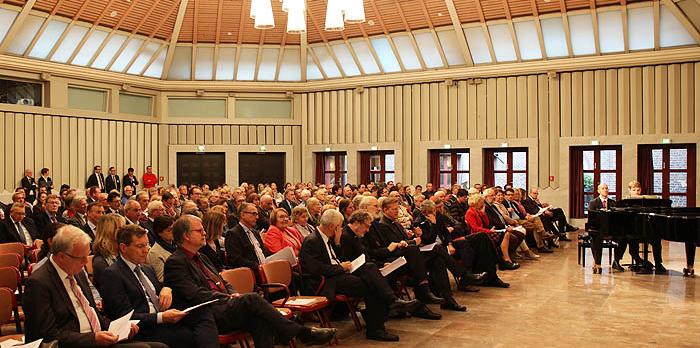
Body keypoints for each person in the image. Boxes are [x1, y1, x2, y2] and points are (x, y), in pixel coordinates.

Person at [164, 215, 337, 348]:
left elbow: (221, 280)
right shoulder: (176, 262)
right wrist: (227, 297)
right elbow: (193, 294)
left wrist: (232, 293)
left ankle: (298, 333)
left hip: (224, 305)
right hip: (207, 312)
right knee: (252, 299)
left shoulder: (200, 256)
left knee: (259, 320)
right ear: (186, 236)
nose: (204, 233)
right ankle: (301, 332)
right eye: (199, 231)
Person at [23, 225, 166, 348]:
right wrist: (93, 338)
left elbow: (93, 313)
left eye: (87, 255)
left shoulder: (77, 272)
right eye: (81, 258)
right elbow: (46, 334)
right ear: (61, 256)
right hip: (76, 343)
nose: (86, 262)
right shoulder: (39, 283)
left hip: (96, 337)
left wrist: (118, 328)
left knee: (160, 346)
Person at [300, 209, 421, 342]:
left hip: (337, 275)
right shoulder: (312, 240)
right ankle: (380, 322)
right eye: (340, 226)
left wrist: (338, 244)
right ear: (332, 227)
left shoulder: (328, 237)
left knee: (370, 271)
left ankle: (387, 310)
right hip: (325, 281)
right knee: (372, 284)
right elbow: (315, 269)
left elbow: (335, 258)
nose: (341, 228)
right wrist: (341, 267)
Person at [100, 224, 219, 348]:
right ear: (123, 248)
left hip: (163, 317)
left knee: (203, 313)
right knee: (188, 336)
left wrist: (166, 288)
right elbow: (124, 316)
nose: (146, 250)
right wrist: (161, 317)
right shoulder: (113, 274)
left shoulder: (147, 268)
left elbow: (159, 292)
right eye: (140, 246)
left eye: (147, 245)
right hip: (142, 328)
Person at [225, 203, 270, 274]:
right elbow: (236, 260)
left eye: (257, 214)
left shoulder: (255, 232)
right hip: (250, 274)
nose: (257, 217)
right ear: (242, 215)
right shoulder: (233, 234)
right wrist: (258, 266)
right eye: (254, 214)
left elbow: (263, 252)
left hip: (266, 269)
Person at [587, 183, 618, 274]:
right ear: (598, 191)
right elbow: (591, 218)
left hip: (610, 228)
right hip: (597, 228)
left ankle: (616, 262)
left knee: (622, 239)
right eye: (603, 188)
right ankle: (597, 263)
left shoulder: (613, 203)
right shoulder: (593, 202)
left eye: (607, 188)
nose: (605, 190)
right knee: (595, 238)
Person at [93, 214, 125, 288]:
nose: (124, 232)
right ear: (108, 231)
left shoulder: (123, 252)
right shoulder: (100, 262)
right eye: (120, 228)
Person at [147, 216, 177, 283]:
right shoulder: (154, 253)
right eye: (169, 230)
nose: (174, 232)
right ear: (159, 233)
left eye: (174, 228)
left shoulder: (177, 244)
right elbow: (162, 279)